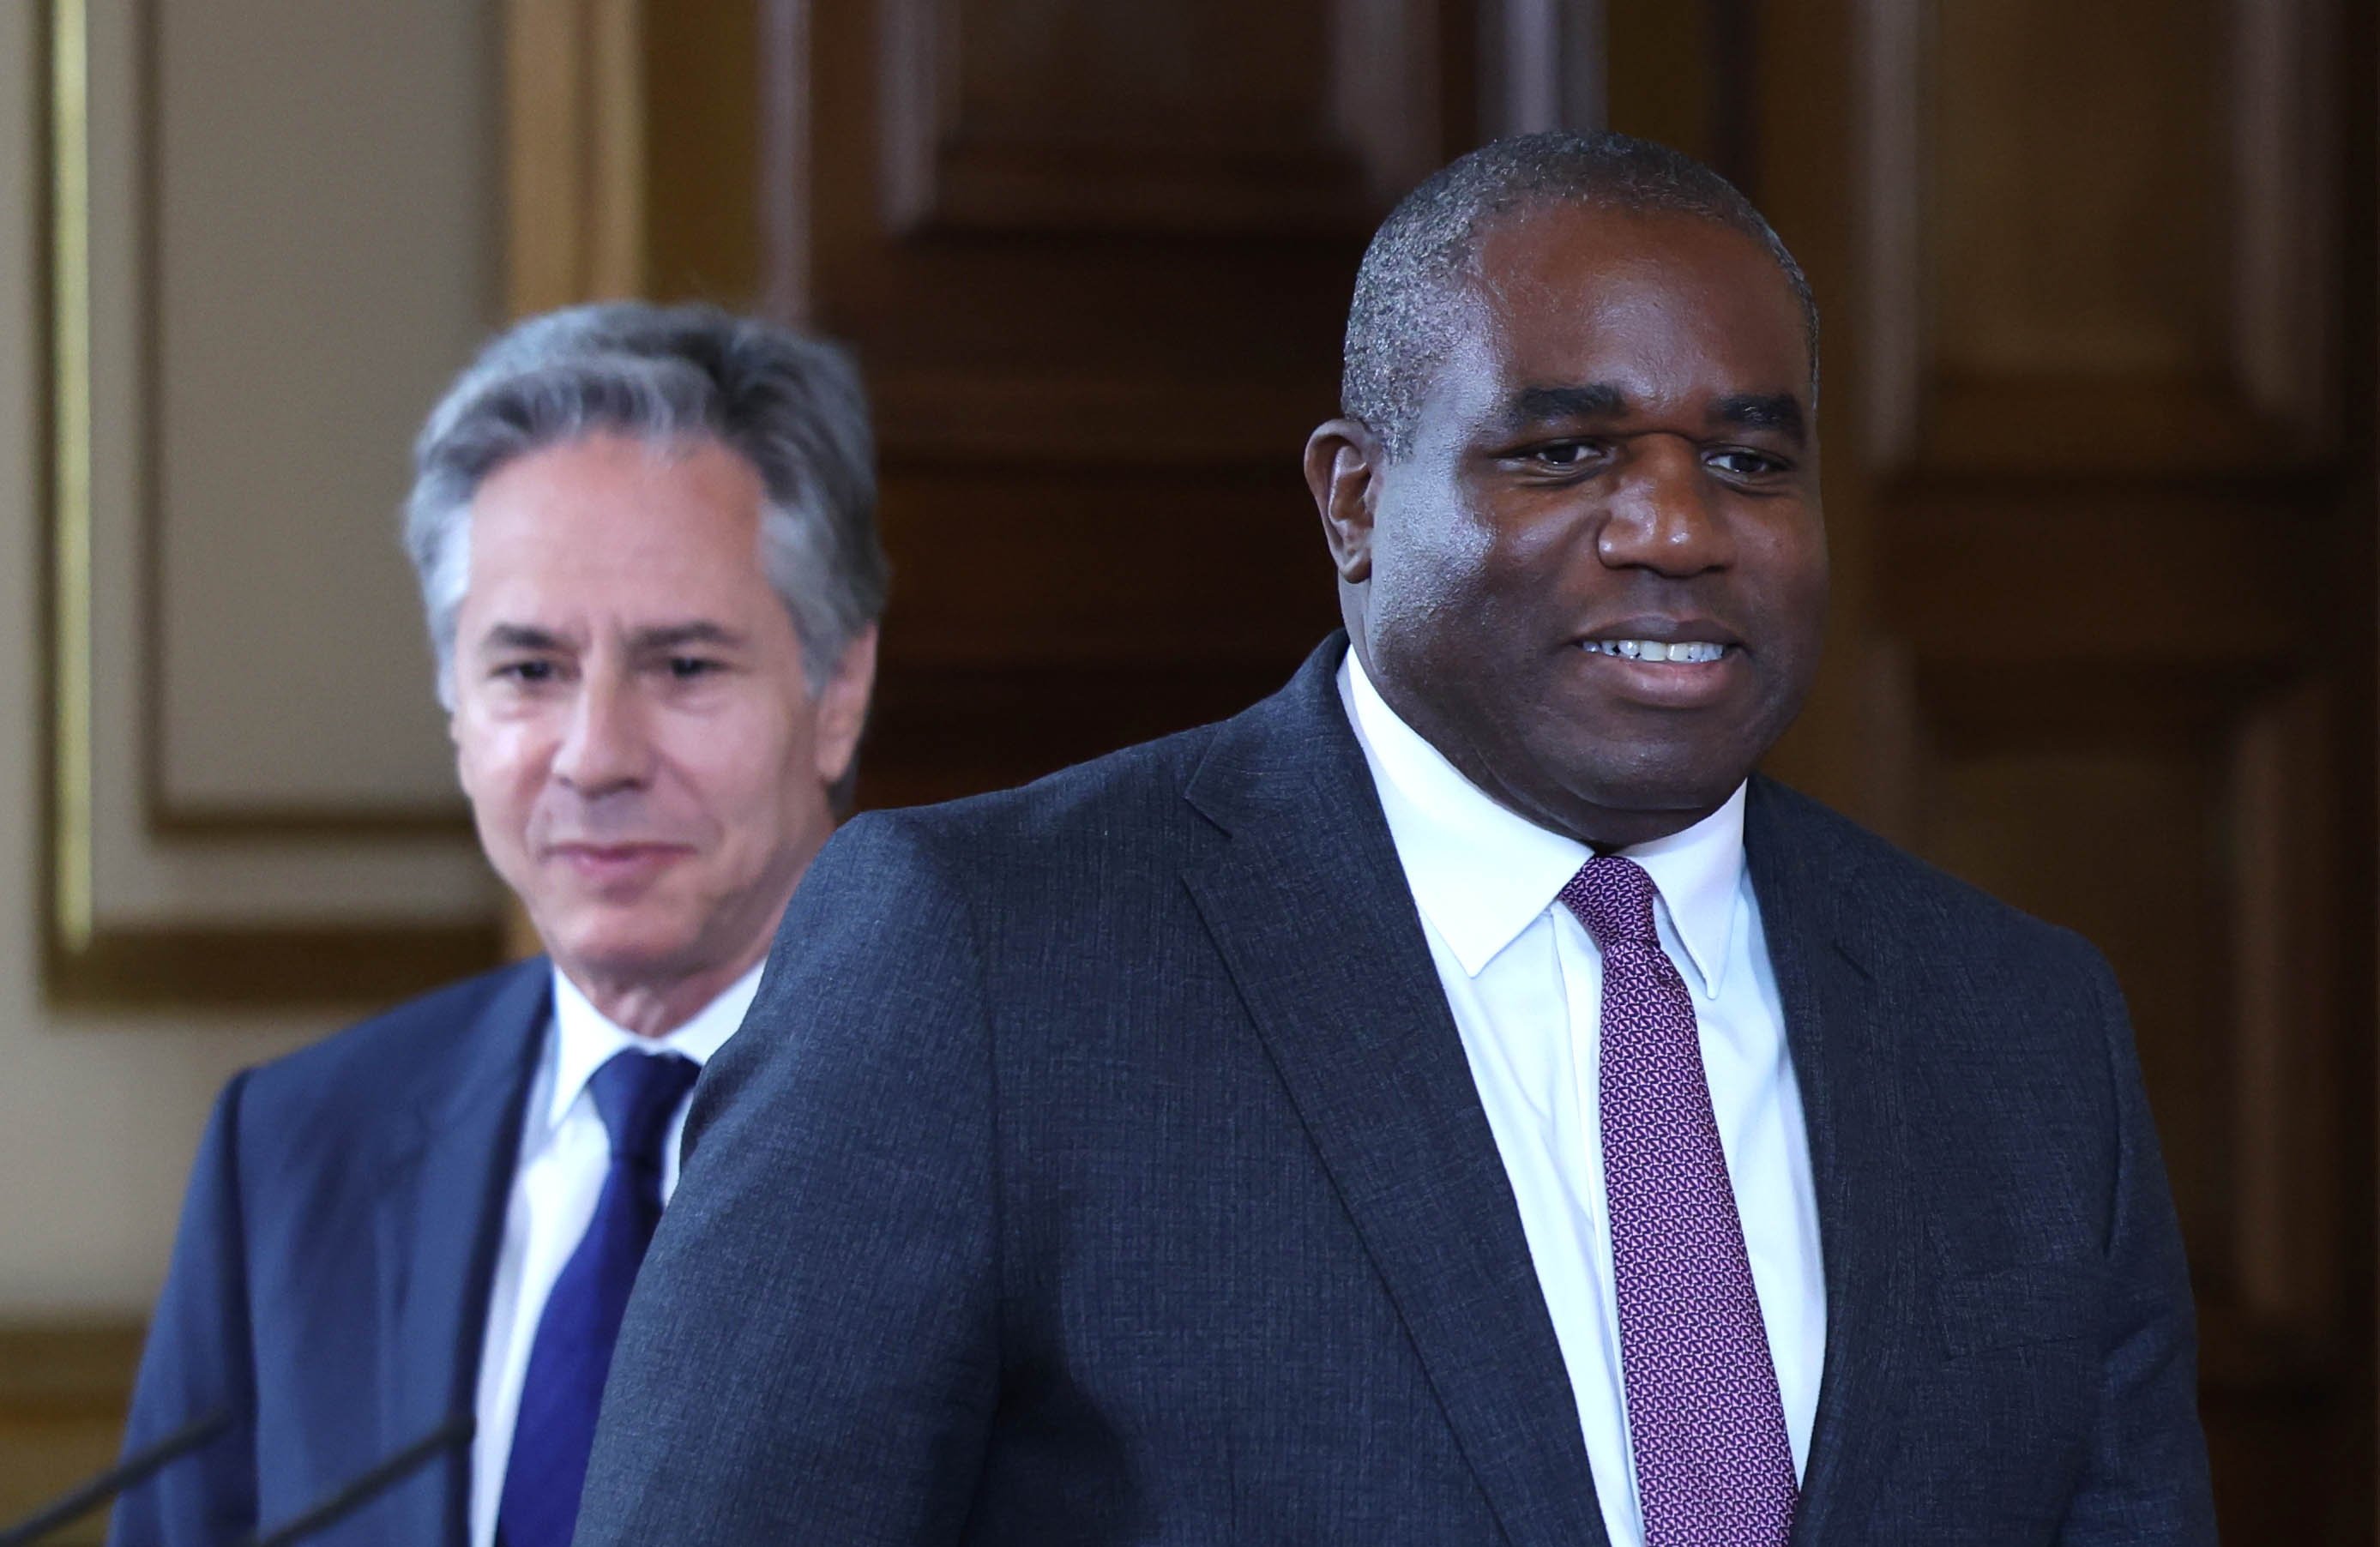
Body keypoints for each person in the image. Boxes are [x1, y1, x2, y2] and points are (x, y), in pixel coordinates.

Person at [578, 133, 2216, 1546]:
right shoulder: (986, 958)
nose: (1674, 527)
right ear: (1355, 503)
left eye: (1749, 460)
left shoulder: (2021, 1030)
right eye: (1565, 451)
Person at [109, 303, 886, 1547]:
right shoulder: (295, 1153)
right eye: (528, 672)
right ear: (452, 704)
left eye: (684, 668)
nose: (596, 756)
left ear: (836, 692)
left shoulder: (1008, 1140)